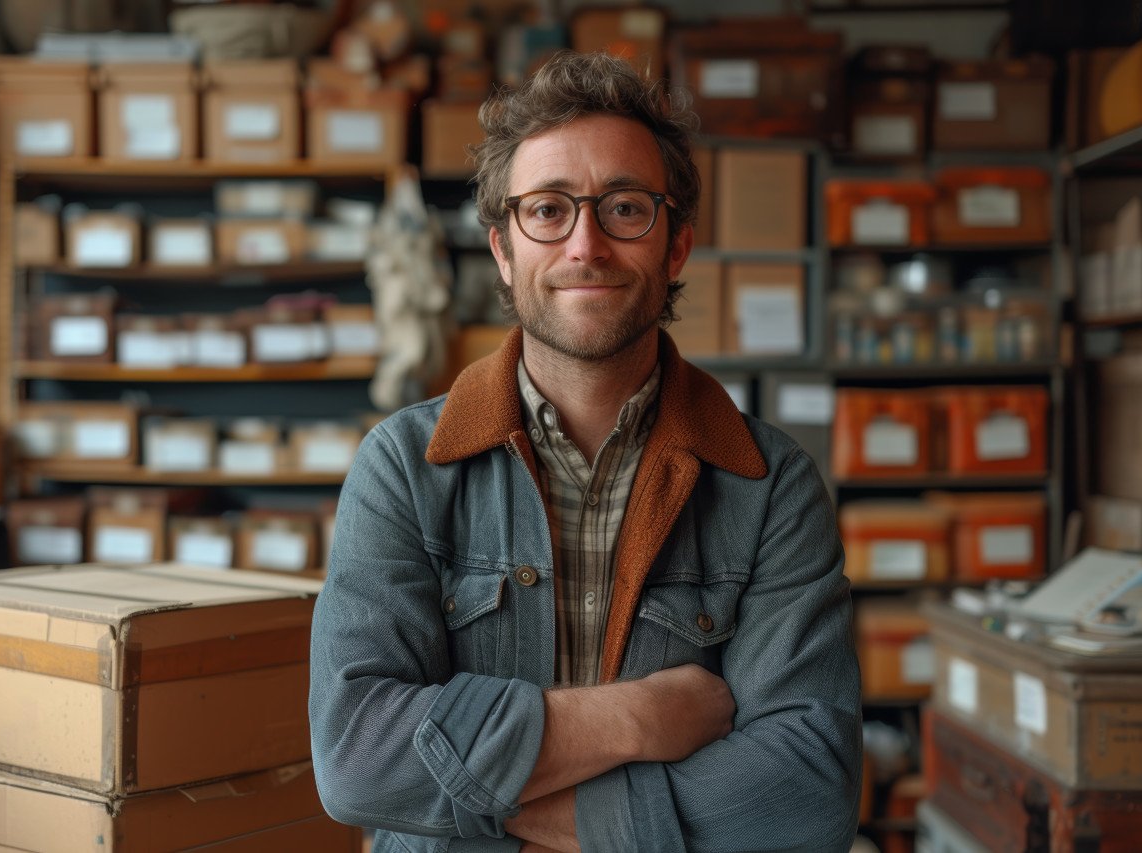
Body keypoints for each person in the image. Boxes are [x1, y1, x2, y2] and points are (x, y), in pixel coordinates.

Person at [309, 50, 862, 853]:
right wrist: (636, 718)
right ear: (504, 249)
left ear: (675, 247)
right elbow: (358, 758)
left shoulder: (769, 485)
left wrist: (528, 809)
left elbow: (806, 790)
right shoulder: (403, 466)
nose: (586, 245)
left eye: (626, 208)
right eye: (548, 210)